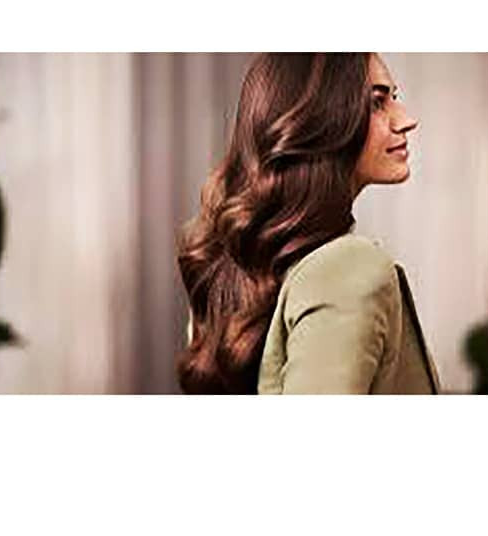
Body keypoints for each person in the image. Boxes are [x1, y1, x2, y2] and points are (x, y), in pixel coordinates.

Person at [176, 53, 441, 394]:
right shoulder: (348, 268)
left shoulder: (234, 276)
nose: (406, 120)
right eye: (377, 102)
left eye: (394, 97)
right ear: (317, 120)